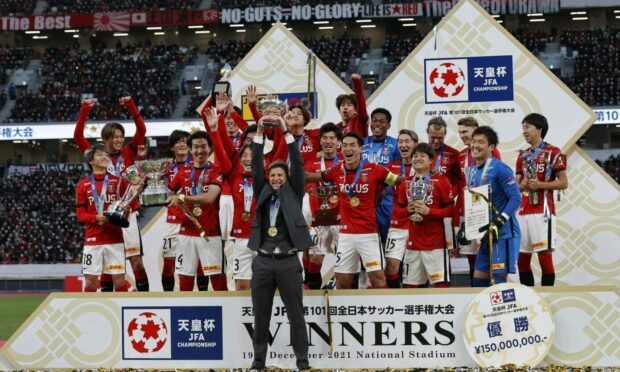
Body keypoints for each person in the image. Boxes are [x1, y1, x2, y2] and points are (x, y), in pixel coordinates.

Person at [248, 110, 312, 370]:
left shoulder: (294, 192)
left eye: (279, 175)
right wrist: (260, 132)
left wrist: (285, 131)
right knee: (260, 317)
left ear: (286, 179)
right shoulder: (262, 190)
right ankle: (258, 362)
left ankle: (302, 362)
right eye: (272, 175)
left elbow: (296, 162)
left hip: (288, 262)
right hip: (263, 262)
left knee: (296, 316)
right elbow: (255, 164)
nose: (275, 178)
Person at [73, 97, 149, 292]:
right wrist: (85, 111)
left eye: (121, 136)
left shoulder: (128, 152)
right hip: (105, 215)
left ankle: (145, 300)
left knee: (137, 262)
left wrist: (132, 106)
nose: (119, 139)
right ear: (105, 139)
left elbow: (141, 130)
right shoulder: (97, 155)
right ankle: (108, 299)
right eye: (114, 136)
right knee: (108, 267)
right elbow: (78, 137)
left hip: (127, 213)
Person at [320, 131, 399, 289]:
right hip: (346, 237)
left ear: (361, 149)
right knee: (342, 284)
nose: (348, 148)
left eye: (352, 145)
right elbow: (315, 177)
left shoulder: (376, 170)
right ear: (341, 149)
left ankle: (384, 313)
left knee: (378, 281)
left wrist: (383, 192)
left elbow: (398, 181)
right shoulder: (336, 171)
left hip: (368, 235)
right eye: (345, 145)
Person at [167, 118, 227, 292]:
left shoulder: (216, 170)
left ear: (210, 148)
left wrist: (182, 198)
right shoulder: (182, 172)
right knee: (185, 279)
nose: (200, 151)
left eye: (203, 146)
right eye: (196, 147)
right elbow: (169, 193)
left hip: (210, 233)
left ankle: (224, 315)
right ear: (190, 149)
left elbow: (209, 198)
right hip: (186, 232)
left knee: (218, 281)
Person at [516, 113, 567, 287]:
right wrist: (523, 185)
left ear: (539, 129)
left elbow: (563, 182)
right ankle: (529, 298)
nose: (524, 131)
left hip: (543, 212)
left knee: (544, 259)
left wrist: (540, 185)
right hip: (524, 212)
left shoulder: (553, 152)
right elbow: (517, 186)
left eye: (527, 127)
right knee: (521, 261)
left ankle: (547, 297)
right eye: (523, 128)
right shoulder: (522, 155)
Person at [469, 127, 521, 287]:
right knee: (478, 282)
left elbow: (516, 198)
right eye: (473, 141)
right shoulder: (472, 170)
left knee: (497, 284)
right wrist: (469, 229)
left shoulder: (500, 168)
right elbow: (476, 202)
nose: (475, 145)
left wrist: (499, 222)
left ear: (491, 147)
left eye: (481, 142)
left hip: (503, 233)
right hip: (486, 234)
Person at [396, 143, 454, 288]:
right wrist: (407, 210)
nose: (417, 158)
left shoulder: (441, 180)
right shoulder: (406, 183)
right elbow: (397, 212)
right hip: (413, 243)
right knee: (410, 288)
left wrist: (430, 212)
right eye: (415, 156)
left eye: (422, 156)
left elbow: (450, 210)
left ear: (430, 161)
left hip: (435, 244)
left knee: (441, 287)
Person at [161, 130, 211, 291]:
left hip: (194, 219)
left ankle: (203, 298)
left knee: (199, 262)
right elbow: (148, 181)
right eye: (178, 141)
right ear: (171, 147)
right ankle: (167, 299)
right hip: (173, 220)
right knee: (169, 261)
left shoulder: (197, 164)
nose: (182, 144)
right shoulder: (165, 166)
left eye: (185, 141)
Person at [75, 144, 130, 292]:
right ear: (91, 161)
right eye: (100, 154)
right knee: (91, 283)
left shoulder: (119, 182)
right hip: (93, 240)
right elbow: (80, 215)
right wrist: (96, 218)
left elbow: (127, 206)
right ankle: (90, 315)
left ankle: (120, 313)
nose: (105, 156)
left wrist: (123, 213)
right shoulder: (82, 185)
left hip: (115, 239)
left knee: (120, 283)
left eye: (106, 154)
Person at [454, 117, 502, 284]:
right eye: (460, 132)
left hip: (485, 209)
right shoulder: (460, 155)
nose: (462, 136)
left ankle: (493, 287)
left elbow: (496, 178)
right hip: (468, 210)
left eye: (465, 132)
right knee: (470, 253)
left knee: (487, 251)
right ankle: (475, 289)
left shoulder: (490, 152)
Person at [303, 122, 343, 289]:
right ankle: (312, 290)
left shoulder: (344, 162)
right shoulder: (312, 163)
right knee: (315, 257)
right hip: (319, 217)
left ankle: (341, 285)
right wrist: (314, 214)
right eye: (325, 138)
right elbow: (311, 190)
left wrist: (342, 212)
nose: (328, 141)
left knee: (344, 255)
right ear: (320, 141)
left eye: (332, 138)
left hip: (341, 217)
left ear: (338, 142)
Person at [384, 129, 418, 288]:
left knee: (416, 268)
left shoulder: (425, 166)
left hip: (419, 222)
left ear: (415, 144)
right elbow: (383, 187)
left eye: (407, 141)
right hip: (398, 222)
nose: (403, 145)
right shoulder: (392, 166)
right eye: (400, 142)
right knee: (391, 266)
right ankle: (394, 297)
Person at [362, 107, 401, 243]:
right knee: (367, 240)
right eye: (374, 121)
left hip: (387, 199)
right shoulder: (361, 143)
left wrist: (385, 192)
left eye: (382, 121)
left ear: (389, 125)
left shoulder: (395, 144)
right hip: (366, 198)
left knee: (388, 240)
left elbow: (399, 173)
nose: (377, 124)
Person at [335, 73, 369, 137]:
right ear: (339, 111)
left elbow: (360, 101)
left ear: (356, 110)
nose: (345, 107)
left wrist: (357, 83)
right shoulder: (334, 129)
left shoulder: (360, 122)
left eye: (349, 105)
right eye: (342, 105)